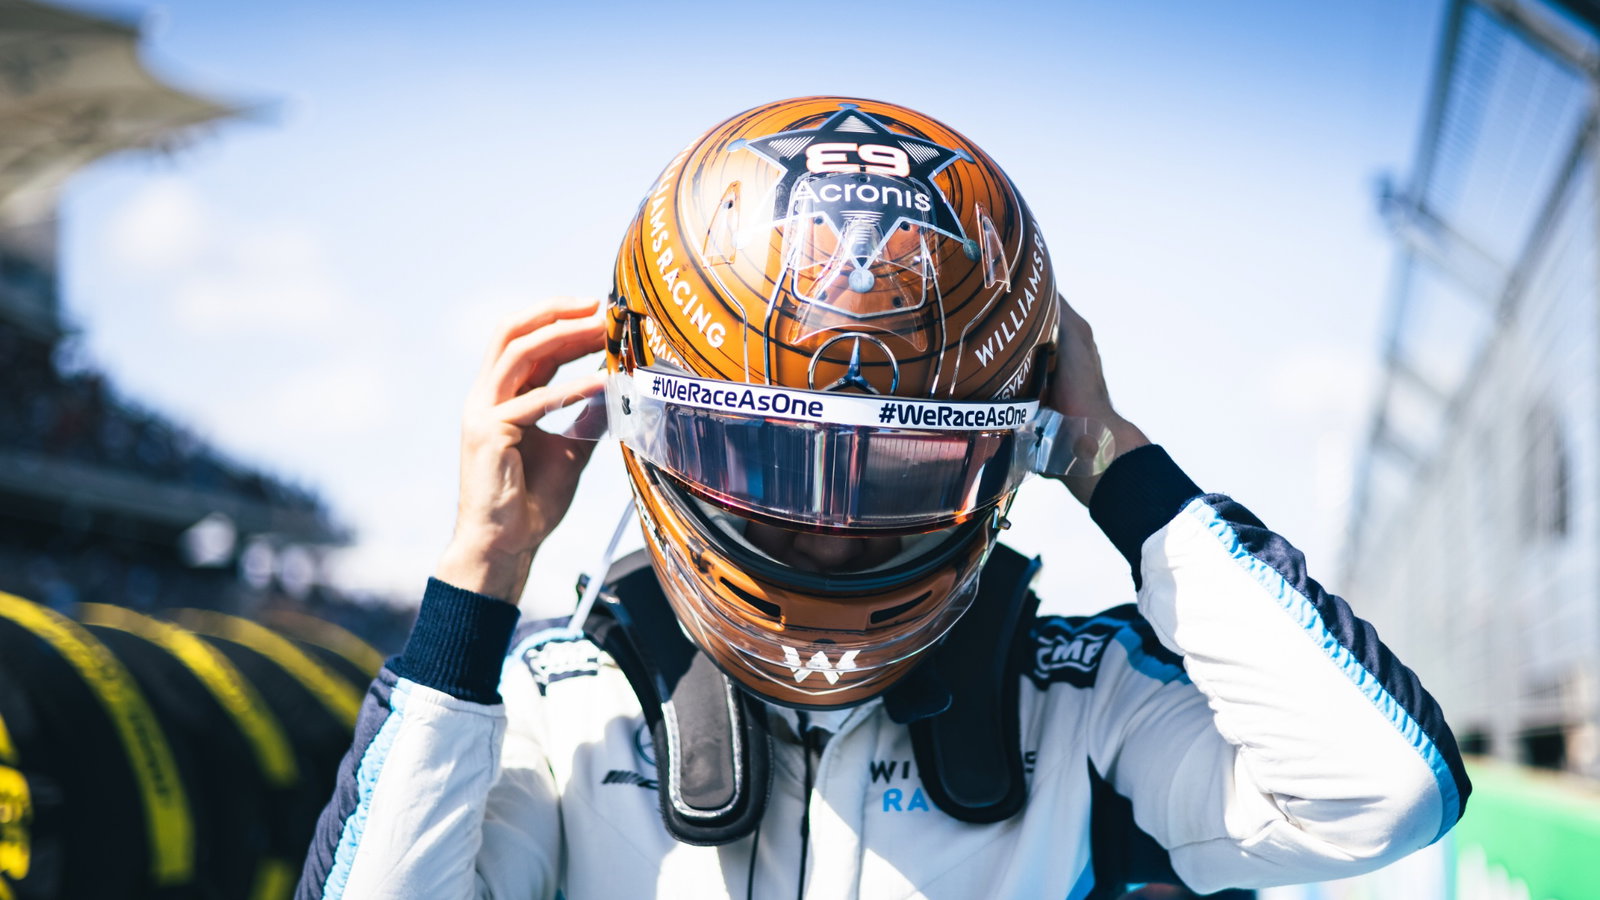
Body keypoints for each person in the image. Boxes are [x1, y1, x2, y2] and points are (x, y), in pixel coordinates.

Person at [295, 97, 1469, 900]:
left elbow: (1386, 796)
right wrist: (482, 566)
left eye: (902, 468)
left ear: (1015, 452)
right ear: (645, 429)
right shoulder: (562, 709)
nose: (829, 526)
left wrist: (1116, 463)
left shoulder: (1079, 708)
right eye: (766, 461)